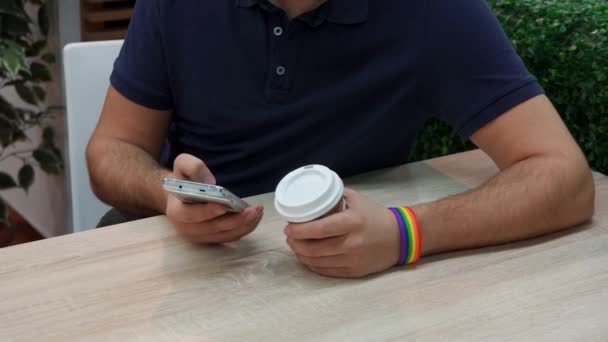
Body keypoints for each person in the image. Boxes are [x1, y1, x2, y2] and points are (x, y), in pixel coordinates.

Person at [87, 0, 595, 278]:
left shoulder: (435, 13)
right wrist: (170, 195)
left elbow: (563, 175)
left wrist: (405, 232)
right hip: (191, 264)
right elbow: (111, 151)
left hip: (348, 268)